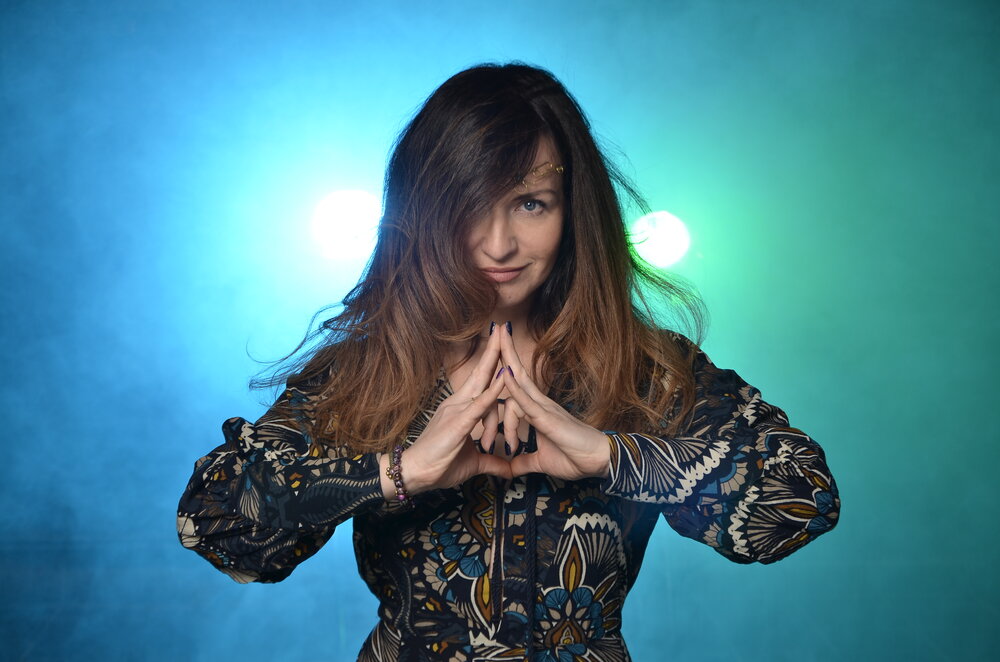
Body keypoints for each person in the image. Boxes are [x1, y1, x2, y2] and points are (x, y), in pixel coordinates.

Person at [177, 63, 840, 661]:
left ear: (572, 212)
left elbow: (801, 501)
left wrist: (610, 456)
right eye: (469, 206)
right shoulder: (364, 372)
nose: (499, 244)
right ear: (424, 212)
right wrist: (400, 472)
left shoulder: (646, 370)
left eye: (530, 203)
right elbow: (214, 524)